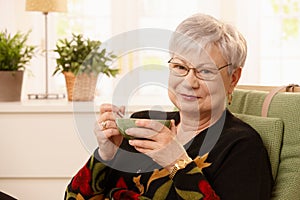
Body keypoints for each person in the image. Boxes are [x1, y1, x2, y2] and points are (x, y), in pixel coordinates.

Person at [64, 13, 273, 200]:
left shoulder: (241, 146)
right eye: (180, 67)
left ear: (233, 78)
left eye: (206, 71)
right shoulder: (144, 123)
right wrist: (106, 154)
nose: (190, 82)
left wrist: (178, 163)